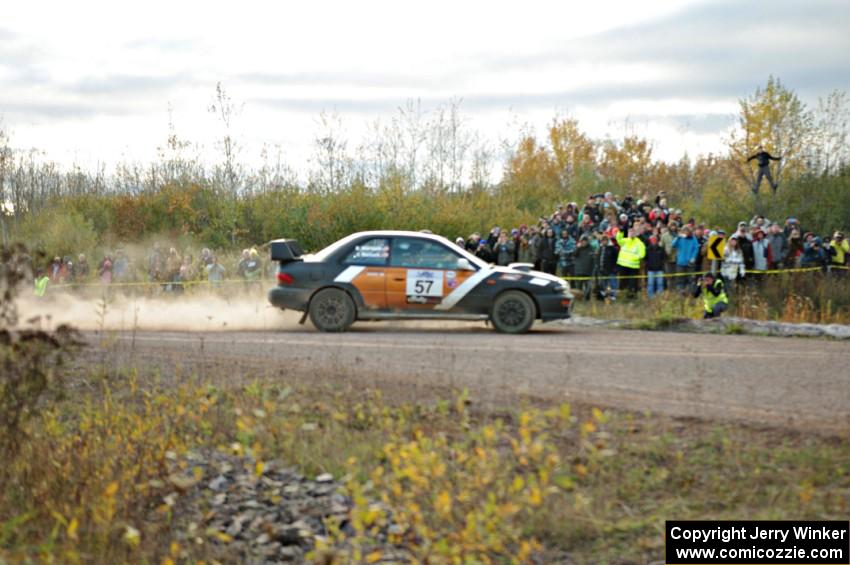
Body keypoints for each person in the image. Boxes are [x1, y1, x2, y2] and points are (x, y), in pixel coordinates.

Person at [615, 226, 646, 298]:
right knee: (622, 282)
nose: (631, 233)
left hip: (633, 266)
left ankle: (632, 296)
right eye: (630, 232)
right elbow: (618, 239)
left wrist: (634, 258)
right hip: (623, 265)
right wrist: (620, 232)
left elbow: (642, 254)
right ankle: (622, 296)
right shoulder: (625, 241)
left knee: (633, 283)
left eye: (633, 232)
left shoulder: (639, 243)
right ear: (628, 233)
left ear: (635, 234)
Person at [671, 226, 700, 291]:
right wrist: (678, 237)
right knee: (680, 278)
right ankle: (681, 292)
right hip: (681, 262)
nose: (686, 233)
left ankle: (691, 292)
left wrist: (693, 257)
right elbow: (673, 245)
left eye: (687, 231)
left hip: (690, 262)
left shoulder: (693, 239)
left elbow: (696, 248)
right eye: (684, 231)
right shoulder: (680, 238)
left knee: (691, 278)